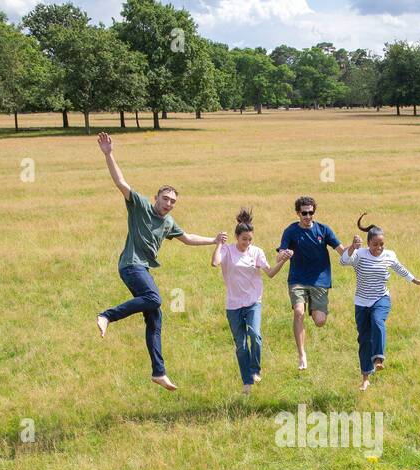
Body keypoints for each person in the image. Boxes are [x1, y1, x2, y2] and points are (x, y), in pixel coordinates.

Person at [94, 131, 226, 391]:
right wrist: (109, 154)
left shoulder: (168, 222)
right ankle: (107, 315)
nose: (169, 204)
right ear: (156, 197)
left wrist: (214, 240)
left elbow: (187, 238)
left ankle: (159, 372)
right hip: (130, 264)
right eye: (165, 199)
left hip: (142, 267)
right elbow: (120, 182)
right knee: (154, 299)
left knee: (155, 318)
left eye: (173, 202)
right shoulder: (140, 205)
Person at [339, 213, 420, 391]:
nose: (379, 247)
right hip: (362, 303)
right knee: (364, 340)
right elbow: (343, 261)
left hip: (381, 298)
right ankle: (365, 377)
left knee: (378, 322)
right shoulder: (360, 254)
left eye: (382, 244)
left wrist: (415, 280)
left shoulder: (389, 255)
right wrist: (351, 247)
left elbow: (400, 268)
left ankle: (379, 358)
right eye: (375, 244)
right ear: (368, 243)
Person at [211, 208, 293, 394]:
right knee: (240, 345)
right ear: (236, 237)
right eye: (244, 239)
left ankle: (255, 370)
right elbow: (215, 262)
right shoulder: (227, 250)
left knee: (255, 335)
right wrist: (218, 244)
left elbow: (270, 273)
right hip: (233, 305)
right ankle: (246, 381)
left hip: (253, 301)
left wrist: (283, 261)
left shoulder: (256, 252)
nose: (247, 243)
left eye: (250, 239)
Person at [277, 196, 347, 371]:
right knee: (298, 312)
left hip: (320, 280)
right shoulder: (290, 231)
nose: (308, 216)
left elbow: (342, 252)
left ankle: (315, 309)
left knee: (319, 321)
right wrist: (284, 255)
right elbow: (280, 253)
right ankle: (302, 355)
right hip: (297, 279)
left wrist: (355, 248)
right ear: (298, 213)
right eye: (304, 213)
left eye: (311, 212)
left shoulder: (324, 230)